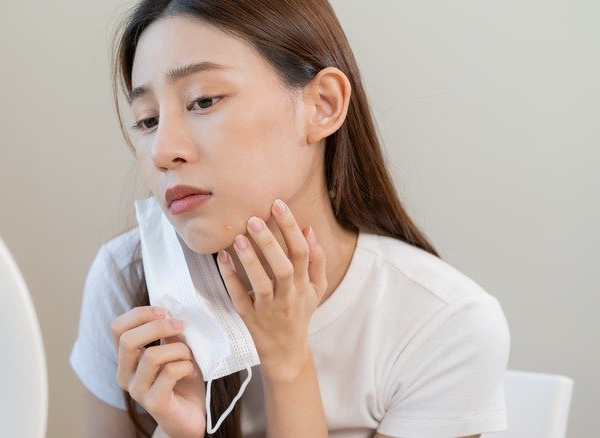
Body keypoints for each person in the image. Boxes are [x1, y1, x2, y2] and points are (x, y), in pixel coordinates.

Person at [69, 1, 510, 437]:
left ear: (322, 105)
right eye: (147, 120)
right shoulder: (127, 280)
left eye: (203, 100)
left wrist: (288, 363)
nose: (163, 151)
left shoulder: (443, 324)